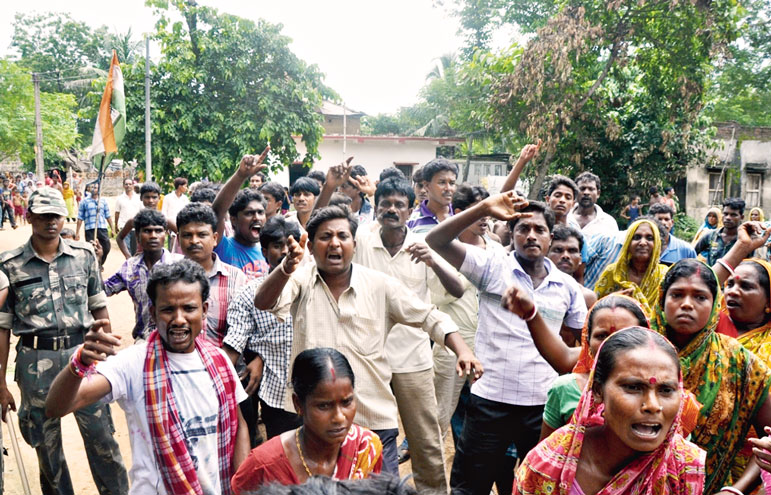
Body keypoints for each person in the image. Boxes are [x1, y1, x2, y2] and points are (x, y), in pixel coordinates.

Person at [255, 205, 483, 476]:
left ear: (354, 243)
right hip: (318, 423)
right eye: (325, 237)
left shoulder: (380, 285)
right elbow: (264, 302)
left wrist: (462, 349)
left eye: (343, 236)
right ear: (312, 247)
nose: (335, 243)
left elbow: (430, 317)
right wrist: (285, 268)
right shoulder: (300, 280)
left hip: (373, 417)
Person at [426, 194, 587, 495]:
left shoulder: (568, 288)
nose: (530, 236)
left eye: (539, 229)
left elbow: (574, 344)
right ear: (511, 234)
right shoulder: (491, 265)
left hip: (542, 407)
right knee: (470, 487)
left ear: (551, 237)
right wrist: (485, 208)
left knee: (539, 486)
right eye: (522, 228)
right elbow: (437, 240)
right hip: (490, 401)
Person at [45, 259, 250, 495]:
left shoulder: (219, 361)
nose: (179, 319)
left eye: (189, 308)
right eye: (168, 309)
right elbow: (56, 408)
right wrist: (78, 365)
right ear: (153, 313)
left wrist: (241, 484)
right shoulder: (133, 364)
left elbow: (240, 424)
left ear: (204, 310)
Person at [0, 187, 128, 495]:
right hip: (34, 361)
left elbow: (98, 305)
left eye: (56, 215)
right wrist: (0, 383)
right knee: (47, 448)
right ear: (29, 216)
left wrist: (106, 353)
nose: (51, 222)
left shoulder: (83, 256)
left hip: (82, 355)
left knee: (102, 439)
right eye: (43, 216)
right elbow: (2, 328)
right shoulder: (10, 264)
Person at [353, 177, 465, 492]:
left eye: (399, 204)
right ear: (375, 208)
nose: (391, 209)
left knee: (426, 439)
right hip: (368, 358)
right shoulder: (361, 239)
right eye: (385, 204)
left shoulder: (424, 244)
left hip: (413, 356)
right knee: (369, 436)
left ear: (410, 209)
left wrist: (433, 261)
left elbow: (456, 289)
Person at [515, 327, 706, 495]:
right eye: (633, 387)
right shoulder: (548, 464)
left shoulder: (684, 468)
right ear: (598, 391)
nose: (653, 405)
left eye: (666, 390)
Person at [651, 258, 771, 493]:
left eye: (700, 297)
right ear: (662, 298)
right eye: (677, 295)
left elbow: (768, 441)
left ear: (715, 303)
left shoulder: (739, 360)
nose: (687, 304)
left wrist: (736, 490)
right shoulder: (636, 349)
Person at [231, 348, 382, 492]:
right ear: (298, 404)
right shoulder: (263, 464)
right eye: (324, 406)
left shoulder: (365, 447)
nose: (339, 417)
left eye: (347, 402)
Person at [502, 290, 648, 436]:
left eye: (625, 334)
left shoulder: (660, 389)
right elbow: (546, 453)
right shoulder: (565, 389)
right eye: (601, 335)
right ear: (587, 340)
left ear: (647, 339)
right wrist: (531, 314)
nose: (612, 343)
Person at [224, 215, 304, 446]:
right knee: (286, 459)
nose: (284, 252)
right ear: (264, 250)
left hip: (316, 390)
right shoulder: (249, 294)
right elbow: (235, 341)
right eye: (277, 246)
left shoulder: (314, 285)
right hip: (277, 394)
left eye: (290, 245)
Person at [104, 209, 183, 341]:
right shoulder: (130, 267)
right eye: (147, 231)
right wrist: (95, 262)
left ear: (166, 234)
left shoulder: (180, 265)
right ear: (137, 237)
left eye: (158, 231)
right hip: (144, 340)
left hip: (176, 340)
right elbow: (103, 290)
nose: (153, 235)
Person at [177, 202, 247, 346]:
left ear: (215, 238)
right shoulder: (168, 278)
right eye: (187, 235)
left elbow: (244, 329)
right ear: (178, 239)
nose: (194, 241)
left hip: (225, 363)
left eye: (202, 235)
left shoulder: (236, 278)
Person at [594, 218, 668, 316]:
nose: (642, 242)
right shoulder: (613, 272)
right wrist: (612, 299)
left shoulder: (664, 275)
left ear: (657, 244)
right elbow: (595, 309)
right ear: (628, 243)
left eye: (649, 238)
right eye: (636, 237)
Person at [116, 182, 177, 259]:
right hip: (141, 261)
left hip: (160, 260)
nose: (151, 200)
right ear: (141, 198)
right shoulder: (135, 220)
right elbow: (119, 238)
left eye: (154, 197)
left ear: (159, 198)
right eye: (147, 197)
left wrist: (175, 255)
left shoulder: (165, 220)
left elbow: (182, 235)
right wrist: (128, 257)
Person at [547, 225, 597, 309]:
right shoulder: (530, 288)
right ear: (546, 254)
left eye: (572, 251)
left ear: (580, 258)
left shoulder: (586, 297)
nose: (565, 256)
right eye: (558, 250)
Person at [407, 158, 458, 233]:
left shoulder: (460, 215)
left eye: (452, 183)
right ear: (427, 185)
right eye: (442, 182)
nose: (448, 188)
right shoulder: (411, 220)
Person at [694, 197, 747, 267]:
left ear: (742, 217)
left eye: (733, 215)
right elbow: (692, 253)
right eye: (725, 214)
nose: (728, 218)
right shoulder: (711, 236)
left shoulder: (745, 240)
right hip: (712, 277)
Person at [567, 172, 618, 236]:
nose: (586, 192)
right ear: (575, 192)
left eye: (591, 189)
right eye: (582, 189)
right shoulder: (564, 217)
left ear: (598, 194)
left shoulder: (608, 222)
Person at [75, 185, 113, 265]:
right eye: (92, 187)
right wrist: (77, 232)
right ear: (88, 189)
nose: (93, 189)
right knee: (91, 249)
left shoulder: (102, 201)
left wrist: (112, 228)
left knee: (106, 247)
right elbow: (80, 218)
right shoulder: (84, 201)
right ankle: (93, 266)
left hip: (102, 228)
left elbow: (108, 215)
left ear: (99, 189)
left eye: (95, 187)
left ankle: (100, 263)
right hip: (90, 229)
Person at [114, 178, 142, 256]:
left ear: (133, 185)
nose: (128, 186)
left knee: (135, 249)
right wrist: (116, 225)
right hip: (123, 226)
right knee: (127, 248)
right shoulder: (119, 199)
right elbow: (117, 213)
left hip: (136, 227)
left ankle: (134, 264)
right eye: (126, 184)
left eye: (130, 184)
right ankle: (129, 264)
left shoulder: (138, 198)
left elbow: (141, 212)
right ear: (123, 186)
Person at [161, 177, 190, 249]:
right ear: (180, 186)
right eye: (185, 186)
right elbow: (164, 212)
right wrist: (166, 226)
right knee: (172, 246)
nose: (186, 188)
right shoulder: (168, 197)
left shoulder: (185, 199)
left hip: (182, 225)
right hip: (171, 225)